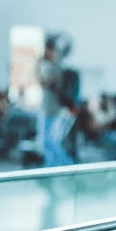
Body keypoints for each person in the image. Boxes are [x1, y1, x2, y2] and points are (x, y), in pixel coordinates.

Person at [38, 36, 73, 167]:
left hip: (53, 111)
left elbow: (43, 82)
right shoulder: (53, 66)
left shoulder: (56, 67)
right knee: (48, 144)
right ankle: (51, 168)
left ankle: (70, 166)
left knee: (51, 143)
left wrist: (38, 66)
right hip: (49, 110)